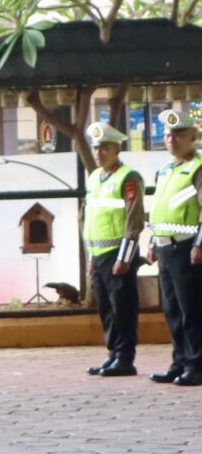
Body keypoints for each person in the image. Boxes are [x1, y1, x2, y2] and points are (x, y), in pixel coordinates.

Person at [86, 121, 145, 378]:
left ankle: (125, 358)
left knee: (123, 308)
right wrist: (91, 257)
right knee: (106, 309)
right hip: (99, 254)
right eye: (96, 147)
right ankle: (113, 354)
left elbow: (134, 221)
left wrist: (125, 257)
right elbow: (91, 218)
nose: (98, 153)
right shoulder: (94, 177)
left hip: (118, 253)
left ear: (117, 150)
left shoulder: (128, 178)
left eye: (104, 148)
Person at [149, 110, 202, 386]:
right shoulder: (166, 170)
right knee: (172, 310)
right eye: (168, 134)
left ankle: (196, 366)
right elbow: (159, 209)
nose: (172, 139)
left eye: (179, 133)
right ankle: (179, 362)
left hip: (186, 248)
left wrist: (199, 244)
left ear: (193, 136)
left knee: (191, 310)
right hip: (165, 248)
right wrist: (152, 241)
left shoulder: (198, 167)